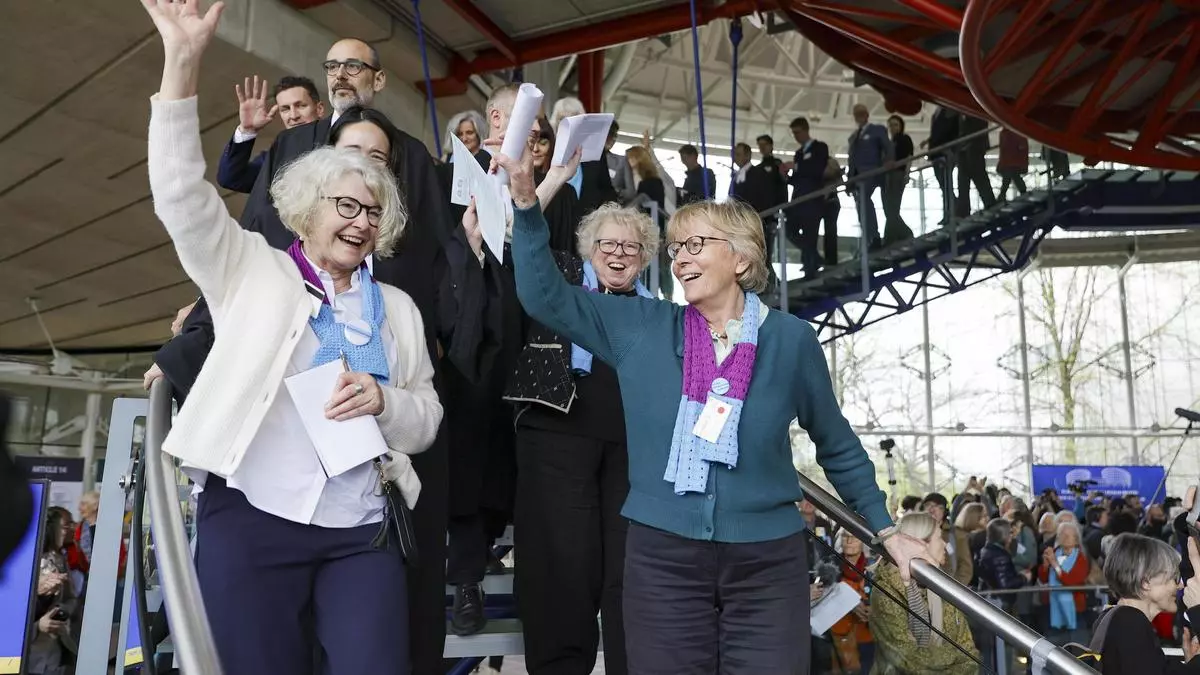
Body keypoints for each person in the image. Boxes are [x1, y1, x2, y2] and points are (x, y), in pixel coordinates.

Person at [498, 130, 926, 672]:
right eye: (676, 249)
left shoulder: (791, 340)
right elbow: (543, 295)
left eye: (696, 245)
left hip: (766, 563)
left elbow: (836, 445)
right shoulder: (642, 327)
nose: (680, 259)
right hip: (662, 559)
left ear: (742, 258)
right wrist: (525, 204)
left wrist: (887, 532)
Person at [140, 4, 444, 674]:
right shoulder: (252, 269)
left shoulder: (395, 309)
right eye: (345, 205)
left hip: (361, 526)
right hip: (251, 515)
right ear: (306, 210)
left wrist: (385, 402)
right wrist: (183, 61)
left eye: (373, 210)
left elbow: (425, 420)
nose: (361, 222)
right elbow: (181, 196)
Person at [503, 203, 659, 675]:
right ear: (587, 250)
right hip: (557, 435)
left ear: (645, 257)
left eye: (630, 247)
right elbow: (519, 244)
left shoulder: (659, 311)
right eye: (607, 244)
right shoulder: (561, 282)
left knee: (632, 570)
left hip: (633, 447)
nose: (618, 254)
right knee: (561, 565)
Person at [869, 511, 978, 674]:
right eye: (939, 538)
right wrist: (953, 659)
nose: (944, 544)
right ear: (920, 544)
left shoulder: (942, 586)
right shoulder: (886, 591)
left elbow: (969, 653)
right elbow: (907, 659)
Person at [1096, 533, 1200, 673]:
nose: (1180, 586)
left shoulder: (1116, 619)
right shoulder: (1129, 623)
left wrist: (1191, 663)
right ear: (1145, 583)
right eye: (1173, 578)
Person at [217, 75, 324, 192]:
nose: (293, 116)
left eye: (301, 106)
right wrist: (247, 130)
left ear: (319, 109)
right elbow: (230, 178)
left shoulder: (341, 141)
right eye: (285, 109)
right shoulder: (274, 158)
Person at [787, 116, 830, 278]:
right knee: (790, 229)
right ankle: (814, 258)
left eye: (797, 132)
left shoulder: (820, 148)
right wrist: (787, 176)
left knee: (810, 233)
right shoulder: (798, 153)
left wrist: (796, 166)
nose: (796, 136)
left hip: (813, 199)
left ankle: (810, 267)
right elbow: (799, 178)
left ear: (805, 130)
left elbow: (817, 170)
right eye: (794, 133)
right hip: (798, 198)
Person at [846, 103, 892, 250]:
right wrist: (849, 181)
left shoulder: (877, 130)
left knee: (864, 202)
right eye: (856, 114)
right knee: (861, 207)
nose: (859, 117)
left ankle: (875, 237)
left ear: (867, 114)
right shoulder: (853, 137)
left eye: (861, 113)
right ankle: (869, 239)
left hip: (871, 172)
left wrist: (889, 160)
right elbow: (851, 159)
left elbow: (888, 146)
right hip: (856, 177)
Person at [882, 115, 914, 245]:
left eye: (895, 124)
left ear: (900, 126)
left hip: (898, 174)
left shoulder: (904, 139)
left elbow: (909, 157)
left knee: (892, 208)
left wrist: (907, 173)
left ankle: (894, 237)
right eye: (890, 125)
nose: (892, 128)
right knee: (889, 208)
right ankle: (900, 234)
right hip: (888, 176)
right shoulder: (889, 142)